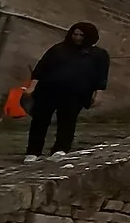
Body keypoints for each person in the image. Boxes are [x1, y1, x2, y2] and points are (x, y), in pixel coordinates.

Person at [23, 22, 110, 160]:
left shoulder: (99, 55)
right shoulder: (58, 49)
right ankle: (33, 151)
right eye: (75, 34)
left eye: (81, 35)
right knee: (40, 120)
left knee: (67, 121)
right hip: (48, 90)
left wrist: (98, 94)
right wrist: (32, 87)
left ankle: (61, 149)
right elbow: (40, 69)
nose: (77, 38)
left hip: (75, 94)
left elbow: (101, 76)